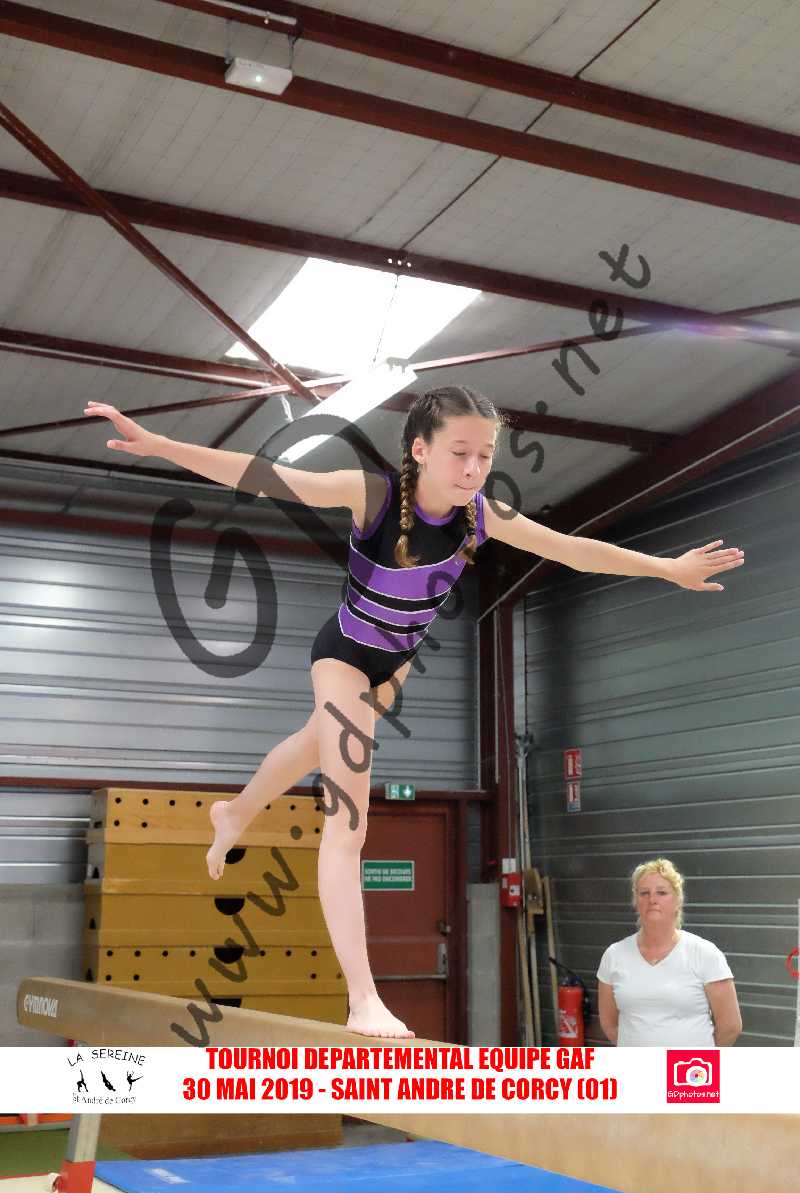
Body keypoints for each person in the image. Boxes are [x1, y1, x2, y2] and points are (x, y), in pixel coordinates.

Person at [83, 387, 744, 1037]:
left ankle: (234, 813)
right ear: (421, 450)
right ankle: (362, 999)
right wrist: (159, 444)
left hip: (391, 669)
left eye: (485, 456)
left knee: (312, 743)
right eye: (460, 453)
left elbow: (571, 549)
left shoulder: (481, 516)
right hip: (344, 657)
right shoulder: (372, 495)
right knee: (349, 825)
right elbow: (265, 477)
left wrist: (667, 568)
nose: (473, 469)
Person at [597, 857, 743, 1047]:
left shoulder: (704, 954)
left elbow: (730, 1026)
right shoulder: (614, 955)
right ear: (636, 902)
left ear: (678, 901)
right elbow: (609, 1024)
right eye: (644, 893)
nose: (652, 900)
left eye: (661, 892)